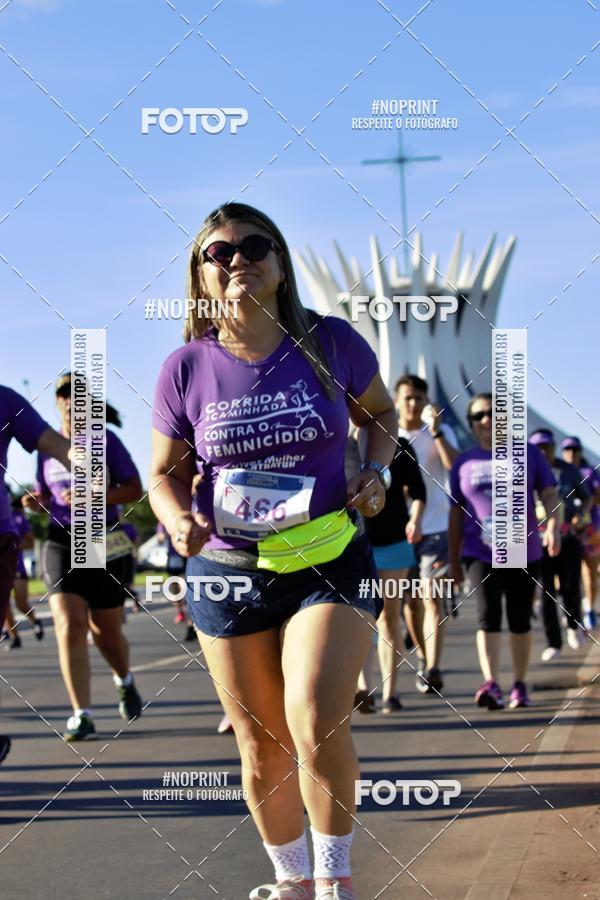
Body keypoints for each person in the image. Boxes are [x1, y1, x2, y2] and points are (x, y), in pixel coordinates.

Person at [150, 202, 397, 900]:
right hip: (227, 572)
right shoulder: (185, 369)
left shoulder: (330, 341)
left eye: (256, 246)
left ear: (281, 262)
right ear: (200, 278)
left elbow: (380, 416)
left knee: (316, 718)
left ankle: (334, 881)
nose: (239, 259)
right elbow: (164, 475)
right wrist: (173, 520)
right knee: (261, 747)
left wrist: (374, 471)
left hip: (327, 557)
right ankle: (290, 883)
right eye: (218, 253)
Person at [24, 374, 144, 742]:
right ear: (56, 402)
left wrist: (98, 498)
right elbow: (47, 493)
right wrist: (37, 500)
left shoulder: (106, 440)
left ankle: (124, 680)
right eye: (63, 394)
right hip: (61, 539)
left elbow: (135, 488)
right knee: (68, 622)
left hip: (104, 540)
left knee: (106, 633)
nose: (70, 400)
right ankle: (82, 713)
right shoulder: (48, 447)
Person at [449, 394, 561, 709]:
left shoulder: (527, 454)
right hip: (478, 550)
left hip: (521, 549)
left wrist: (552, 525)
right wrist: (453, 557)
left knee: (520, 618)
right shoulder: (464, 462)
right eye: (479, 415)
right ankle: (492, 683)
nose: (487, 419)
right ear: (471, 423)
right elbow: (455, 511)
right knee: (487, 615)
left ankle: (520, 683)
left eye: (493, 413)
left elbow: (550, 493)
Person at [0, 384, 72, 763]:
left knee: (100, 629)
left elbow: (57, 446)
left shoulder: (6, 400)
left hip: (4, 539)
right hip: (45, 541)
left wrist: (84, 464)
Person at [396, 374, 459, 693]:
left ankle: (434, 667)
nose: (413, 404)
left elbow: (455, 467)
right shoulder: (387, 435)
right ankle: (422, 656)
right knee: (409, 603)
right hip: (399, 532)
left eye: (419, 398)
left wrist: (435, 431)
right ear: (397, 401)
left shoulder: (440, 431)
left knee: (432, 598)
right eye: (407, 398)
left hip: (435, 527)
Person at [357, 434, 425, 713]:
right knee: (360, 616)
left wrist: (416, 520)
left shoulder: (397, 444)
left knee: (388, 617)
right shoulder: (339, 438)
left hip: (395, 542)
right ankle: (363, 689)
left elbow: (419, 491)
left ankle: (390, 692)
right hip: (353, 542)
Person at [529, 429, 591, 658]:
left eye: (547, 446)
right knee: (546, 590)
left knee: (570, 586)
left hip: (567, 536)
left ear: (553, 448)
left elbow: (587, 497)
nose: (543, 451)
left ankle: (574, 626)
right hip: (539, 539)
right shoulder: (526, 471)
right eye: (538, 447)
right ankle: (553, 642)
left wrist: (581, 516)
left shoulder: (568, 470)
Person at [560, 436, 600, 632]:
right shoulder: (558, 472)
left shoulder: (590, 472)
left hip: (590, 531)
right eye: (567, 449)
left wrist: (586, 508)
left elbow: (596, 496)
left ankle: (590, 609)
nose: (571, 453)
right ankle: (573, 612)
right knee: (569, 576)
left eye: (574, 449)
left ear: (580, 451)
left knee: (590, 573)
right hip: (567, 533)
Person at [2, 496, 44, 649]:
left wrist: (11, 546)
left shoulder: (17, 518)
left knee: (21, 603)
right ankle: (14, 637)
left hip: (17, 566)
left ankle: (35, 621)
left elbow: (30, 542)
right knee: (4, 605)